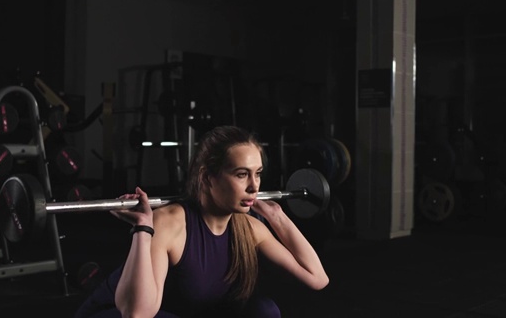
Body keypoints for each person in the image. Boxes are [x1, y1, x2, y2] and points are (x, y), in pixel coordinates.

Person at [75, 125, 329, 318]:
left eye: (258, 174)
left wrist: (277, 216)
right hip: (115, 314)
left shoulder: (248, 228)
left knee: (265, 311)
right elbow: (137, 313)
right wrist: (143, 228)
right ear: (208, 177)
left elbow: (317, 278)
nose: (254, 187)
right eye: (242, 175)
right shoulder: (171, 223)